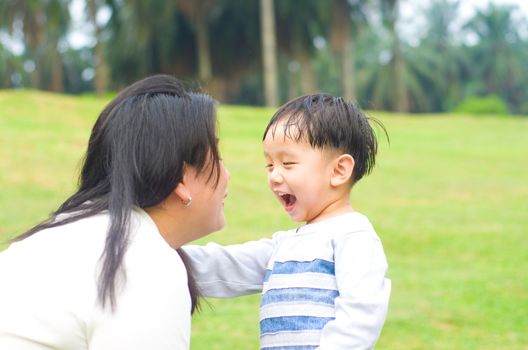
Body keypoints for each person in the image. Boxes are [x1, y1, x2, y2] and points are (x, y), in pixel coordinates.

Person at [0, 74, 229, 349]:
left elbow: (216, 263)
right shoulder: (146, 265)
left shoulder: (77, 234)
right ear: (181, 179)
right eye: (217, 156)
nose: (226, 174)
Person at [184, 94, 391, 349]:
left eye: (288, 163)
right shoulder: (283, 246)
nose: (274, 176)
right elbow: (227, 267)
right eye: (269, 165)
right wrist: (159, 254)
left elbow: (362, 315)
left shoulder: (353, 235)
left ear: (339, 171)